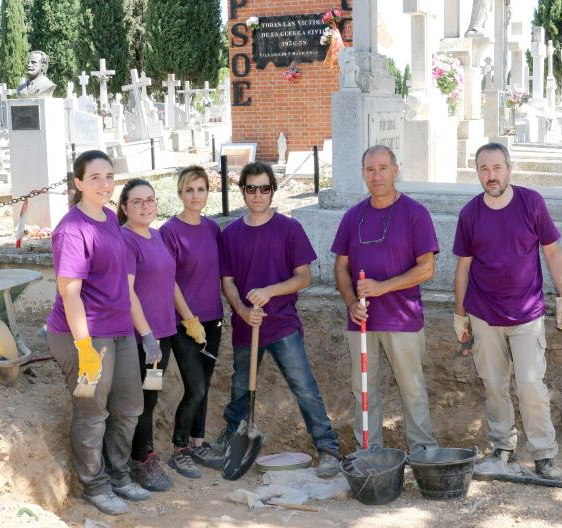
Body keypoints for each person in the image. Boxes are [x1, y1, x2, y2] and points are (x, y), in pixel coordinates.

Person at [209, 161, 341, 477]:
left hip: (282, 325)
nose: (257, 195)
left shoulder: (289, 229)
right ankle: (233, 437)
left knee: (304, 387)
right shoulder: (231, 234)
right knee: (240, 388)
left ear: (272, 191)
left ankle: (328, 449)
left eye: (264, 188)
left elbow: (303, 277)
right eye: (251, 188)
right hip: (246, 327)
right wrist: (241, 309)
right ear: (242, 191)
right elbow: (226, 281)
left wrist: (269, 291)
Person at [453, 142, 562, 481]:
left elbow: (552, 252)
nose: (491, 176)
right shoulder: (470, 214)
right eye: (484, 169)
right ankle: (502, 445)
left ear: (509, 169)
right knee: (493, 383)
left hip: (527, 313)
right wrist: (459, 313)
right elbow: (463, 267)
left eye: (496, 168)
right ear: (477, 173)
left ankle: (544, 453)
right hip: (483, 311)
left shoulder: (530, 203)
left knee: (530, 384)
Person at [46, 150, 148, 516]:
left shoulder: (108, 217)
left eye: (109, 176)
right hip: (84, 334)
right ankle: (95, 485)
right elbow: (69, 292)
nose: (105, 184)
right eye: (95, 178)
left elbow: (120, 279)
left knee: (129, 407)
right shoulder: (72, 230)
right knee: (92, 412)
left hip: (120, 331)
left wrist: (144, 332)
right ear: (78, 184)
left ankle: (120, 475)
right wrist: (85, 347)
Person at [332, 145, 440, 453]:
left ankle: (423, 454)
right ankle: (370, 455)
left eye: (382, 168)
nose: (376, 175)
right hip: (362, 322)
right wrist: (351, 301)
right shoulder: (353, 216)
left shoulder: (415, 214)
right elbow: (341, 266)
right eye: (370, 169)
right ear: (363, 174)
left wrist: (383, 287)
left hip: (402, 320)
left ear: (396, 169)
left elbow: (427, 268)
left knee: (413, 391)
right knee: (364, 391)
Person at [159, 166, 224, 475]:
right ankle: (180, 447)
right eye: (189, 190)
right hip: (184, 323)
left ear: (207, 193)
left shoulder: (213, 228)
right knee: (195, 387)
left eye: (200, 189)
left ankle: (199, 443)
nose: (195, 196)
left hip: (213, 320)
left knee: (206, 385)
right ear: (180, 194)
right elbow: (168, 280)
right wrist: (188, 317)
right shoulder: (169, 232)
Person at [118, 178, 177, 492]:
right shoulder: (126, 239)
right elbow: (127, 292)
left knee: (151, 396)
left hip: (164, 333)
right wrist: (147, 335)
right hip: (142, 337)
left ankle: (144, 453)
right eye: (137, 201)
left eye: (150, 200)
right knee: (139, 399)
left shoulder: (157, 235)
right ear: (125, 206)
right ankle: (139, 458)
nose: (145, 206)